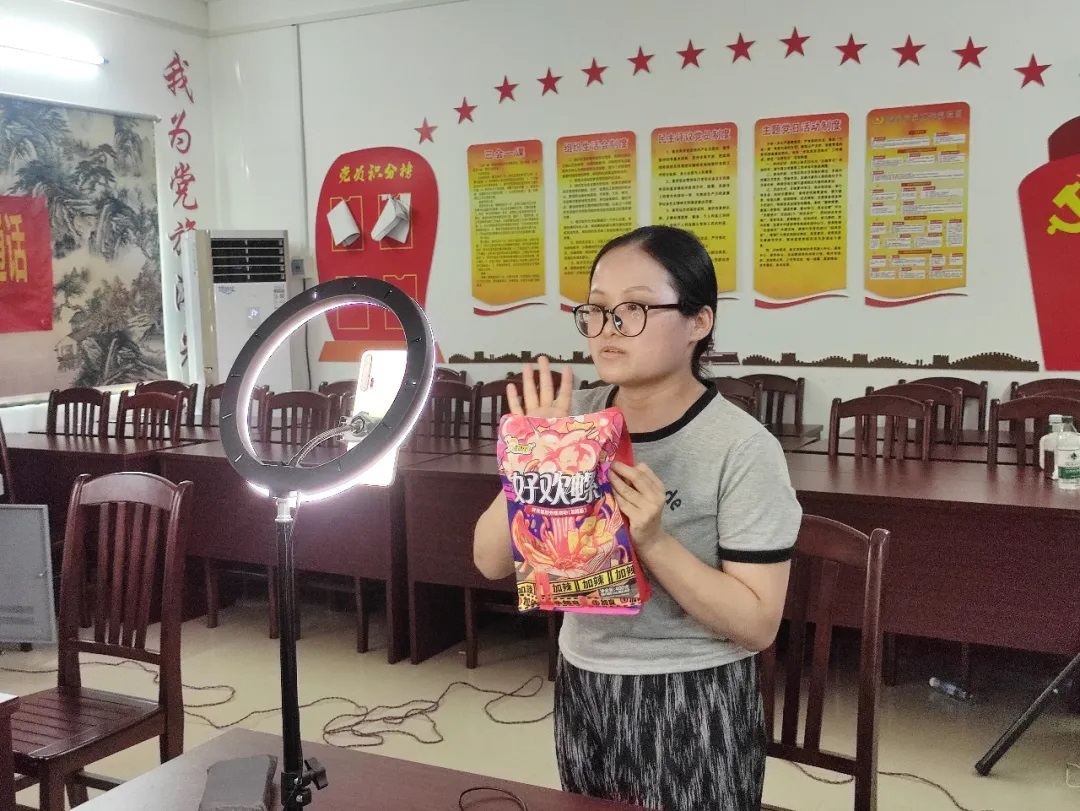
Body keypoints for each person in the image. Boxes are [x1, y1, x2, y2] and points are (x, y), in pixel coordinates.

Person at [473, 225, 802, 811]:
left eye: (635, 309)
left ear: (698, 322)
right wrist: (536, 456)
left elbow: (757, 625)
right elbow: (490, 560)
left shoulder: (742, 448)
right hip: (583, 675)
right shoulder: (572, 419)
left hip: (693, 691)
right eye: (597, 310)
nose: (608, 328)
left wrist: (653, 540)